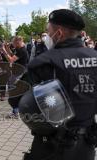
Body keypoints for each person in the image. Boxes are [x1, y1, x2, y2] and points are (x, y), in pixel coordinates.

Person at [20, 9, 97, 160]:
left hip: (51, 145)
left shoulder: (43, 62)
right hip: (86, 145)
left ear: (59, 33)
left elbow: (17, 99)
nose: (47, 36)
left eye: (48, 31)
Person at [1, 36, 28, 118]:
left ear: (18, 41)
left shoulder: (22, 50)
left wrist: (3, 50)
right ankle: (16, 111)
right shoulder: (20, 49)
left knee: (13, 92)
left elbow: (11, 60)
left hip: (18, 74)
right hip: (18, 73)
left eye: (13, 43)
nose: (12, 44)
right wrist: (8, 49)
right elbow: (13, 55)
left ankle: (16, 112)